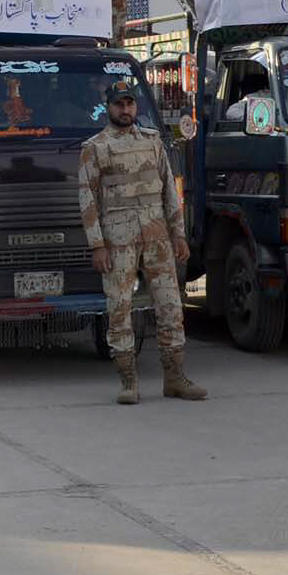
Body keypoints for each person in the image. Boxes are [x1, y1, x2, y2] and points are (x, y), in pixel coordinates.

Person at [78, 80, 206, 405]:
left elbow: (169, 193)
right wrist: (97, 246)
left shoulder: (153, 142)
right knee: (119, 309)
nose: (125, 110)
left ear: (136, 107)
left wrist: (179, 234)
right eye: (119, 104)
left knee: (171, 308)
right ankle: (128, 381)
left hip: (157, 237)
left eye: (130, 104)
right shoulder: (95, 148)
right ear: (109, 107)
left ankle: (175, 378)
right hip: (117, 241)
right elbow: (87, 200)